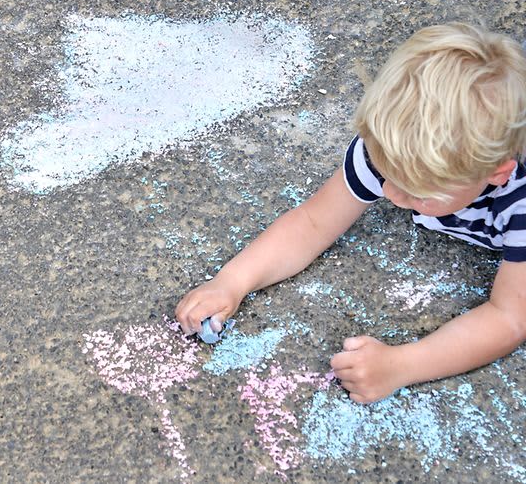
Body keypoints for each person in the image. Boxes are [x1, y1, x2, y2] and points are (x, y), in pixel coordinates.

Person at [175, 23, 526, 403]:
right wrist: (232, 281)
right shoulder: (391, 146)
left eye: (415, 192)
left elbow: (509, 317)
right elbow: (313, 222)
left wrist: (403, 365)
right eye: (385, 174)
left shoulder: (519, 203)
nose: (391, 195)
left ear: (496, 175)